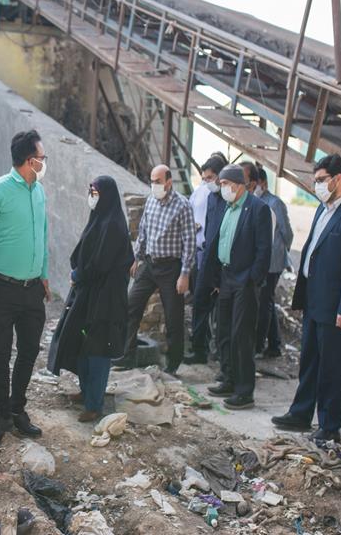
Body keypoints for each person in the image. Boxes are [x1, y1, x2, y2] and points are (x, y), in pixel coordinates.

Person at [272, 155, 341, 442]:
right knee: (310, 362)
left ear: (337, 179)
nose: (316, 185)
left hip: (336, 307)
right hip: (314, 300)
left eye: (320, 180)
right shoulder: (322, 209)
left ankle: (330, 426)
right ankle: (300, 414)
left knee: (331, 368)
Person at [0, 129, 51, 447]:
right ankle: (1, 416)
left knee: (29, 352)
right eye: (42, 157)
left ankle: (18, 410)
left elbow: (43, 233)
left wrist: (44, 275)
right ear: (30, 160)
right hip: (1, 289)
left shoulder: (38, 191)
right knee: (0, 355)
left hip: (33, 290)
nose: (44, 162)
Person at [47, 176, 134, 422]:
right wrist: (78, 273)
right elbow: (86, 254)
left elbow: (101, 263)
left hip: (106, 299)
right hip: (90, 292)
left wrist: (78, 274)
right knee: (83, 341)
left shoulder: (113, 225)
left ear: (106, 195)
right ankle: (86, 392)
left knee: (98, 349)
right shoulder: (99, 219)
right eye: (91, 191)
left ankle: (94, 404)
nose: (91, 196)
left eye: (95, 192)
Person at [203, 164, 271, 409]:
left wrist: (252, 279)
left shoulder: (258, 209)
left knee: (241, 335)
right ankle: (228, 378)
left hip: (245, 280)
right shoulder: (228, 207)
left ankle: (244, 391)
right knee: (224, 331)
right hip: (226, 276)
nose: (222, 188)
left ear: (238, 185)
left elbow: (264, 249)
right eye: (220, 184)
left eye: (225, 184)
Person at [116, 165, 196, 375]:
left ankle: (173, 363)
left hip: (171, 268)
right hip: (150, 264)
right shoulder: (151, 200)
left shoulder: (183, 206)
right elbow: (143, 231)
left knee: (173, 317)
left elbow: (189, 242)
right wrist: (137, 258)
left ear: (169, 182)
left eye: (158, 181)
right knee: (131, 305)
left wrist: (185, 274)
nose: (154, 185)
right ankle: (126, 355)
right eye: (152, 181)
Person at [183, 153, 228, 365]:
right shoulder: (209, 198)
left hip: (224, 265)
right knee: (200, 304)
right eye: (204, 178)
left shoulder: (230, 202)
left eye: (210, 178)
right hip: (205, 259)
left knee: (222, 314)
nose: (207, 182)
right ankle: (199, 350)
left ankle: (221, 354)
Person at [254, 165, 294, 358]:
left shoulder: (275, 203)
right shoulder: (255, 201)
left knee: (264, 302)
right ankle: (274, 344)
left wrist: (282, 251)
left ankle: (259, 345)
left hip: (273, 261)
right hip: (262, 260)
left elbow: (287, 232)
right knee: (267, 300)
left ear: (262, 183)